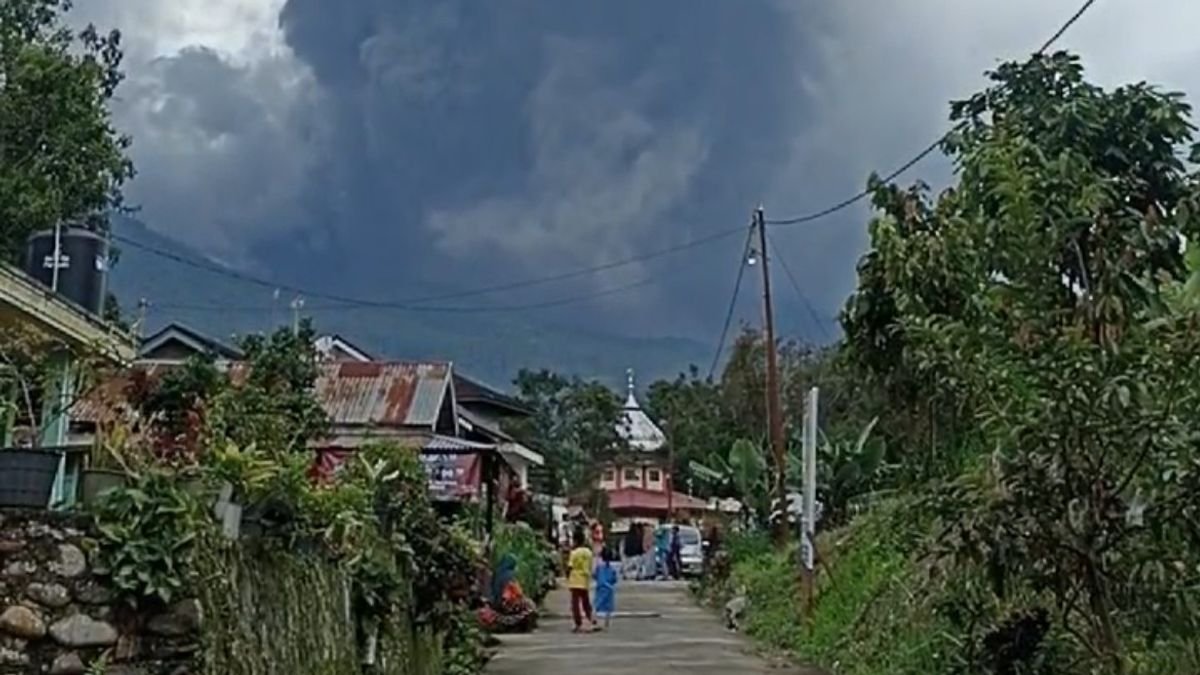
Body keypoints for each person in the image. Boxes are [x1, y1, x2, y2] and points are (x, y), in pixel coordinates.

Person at [567, 528, 596, 633]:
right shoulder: (588, 552)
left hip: (575, 579)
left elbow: (570, 567)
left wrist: (567, 576)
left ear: (575, 540)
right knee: (586, 602)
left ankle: (578, 623)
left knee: (575, 603)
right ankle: (590, 619)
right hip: (585, 579)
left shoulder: (574, 553)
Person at [593, 546, 619, 630]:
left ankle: (596, 621)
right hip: (609, 589)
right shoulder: (612, 568)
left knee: (598, 605)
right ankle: (606, 623)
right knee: (608, 608)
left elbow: (595, 576)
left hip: (600, 588)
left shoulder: (599, 567)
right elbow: (614, 579)